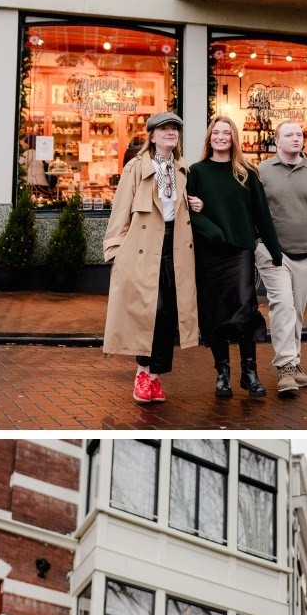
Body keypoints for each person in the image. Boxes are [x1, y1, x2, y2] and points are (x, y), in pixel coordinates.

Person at [103, 111, 200, 406]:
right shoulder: (136, 167)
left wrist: (198, 204)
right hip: (142, 246)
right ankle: (142, 372)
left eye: (175, 129)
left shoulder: (183, 168)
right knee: (152, 309)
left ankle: (156, 376)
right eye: (164, 129)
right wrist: (115, 250)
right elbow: (120, 209)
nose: (171, 133)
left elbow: (185, 208)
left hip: (176, 245)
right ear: (153, 136)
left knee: (169, 311)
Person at [186, 116, 283, 399]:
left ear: (233, 137)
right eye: (215, 132)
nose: (220, 137)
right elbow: (187, 213)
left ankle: (249, 373)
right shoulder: (197, 172)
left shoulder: (246, 172)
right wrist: (212, 229)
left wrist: (275, 251)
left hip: (240, 251)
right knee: (215, 312)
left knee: (245, 308)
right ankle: (222, 373)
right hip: (209, 254)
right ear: (209, 138)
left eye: (225, 133)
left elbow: (262, 214)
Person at [255, 121, 307, 396]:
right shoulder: (262, 171)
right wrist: (258, 243)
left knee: (296, 311)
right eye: (289, 135)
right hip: (273, 253)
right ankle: (286, 368)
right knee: (284, 306)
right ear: (276, 141)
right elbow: (252, 209)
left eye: (299, 135)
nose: (295, 138)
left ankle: (294, 362)